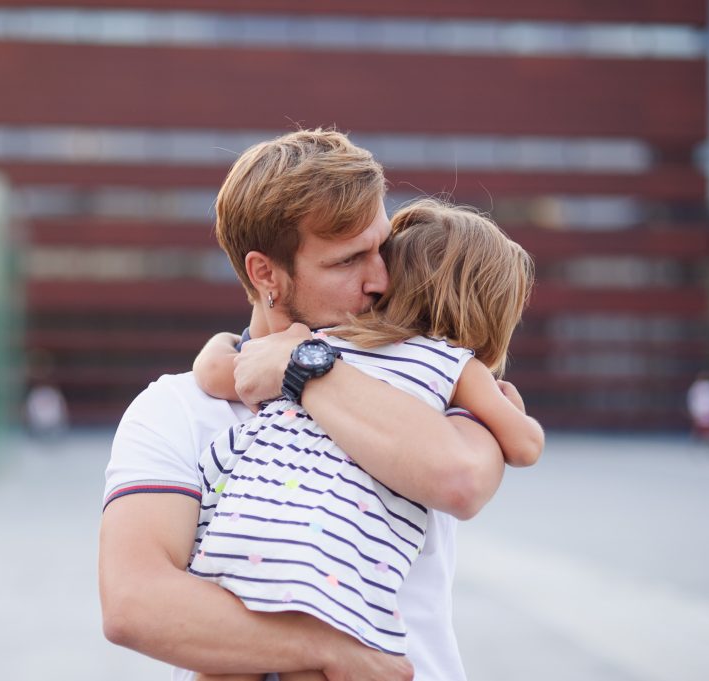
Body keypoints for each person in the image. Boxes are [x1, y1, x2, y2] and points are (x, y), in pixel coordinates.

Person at [100, 129, 509, 681]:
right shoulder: (176, 409)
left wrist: (302, 368)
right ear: (265, 273)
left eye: (381, 248)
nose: (381, 280)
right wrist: (328, 651)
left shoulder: (425, 375)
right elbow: (135, 603)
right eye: (348, 261)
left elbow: (460, 480)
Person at [187, 200, 543, 680]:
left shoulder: (320, 344)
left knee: (227, 663)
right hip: (330, 561)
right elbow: (526, 447)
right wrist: (511, 411)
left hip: (246, 525)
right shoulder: (457, 368)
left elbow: (218, 372)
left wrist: (221, 342)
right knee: (309, 661)